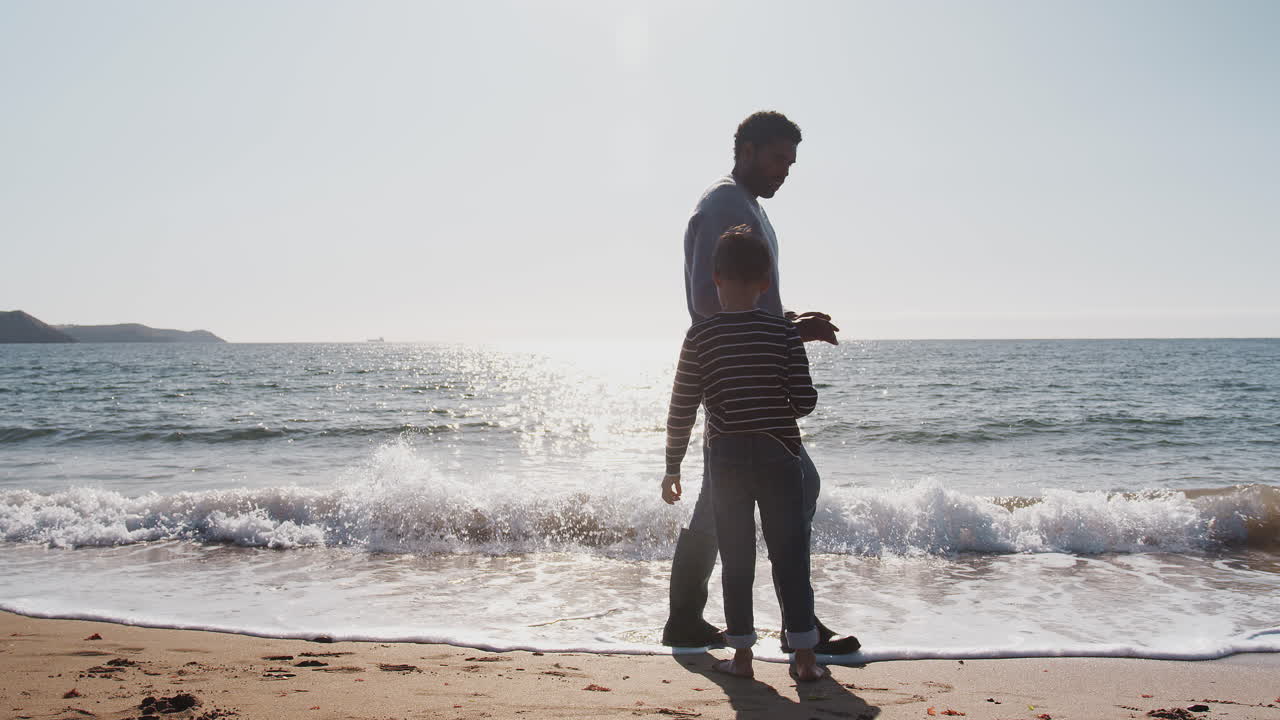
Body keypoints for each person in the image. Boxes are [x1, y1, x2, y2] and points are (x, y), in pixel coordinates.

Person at [662, 110, 860, 655]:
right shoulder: (725, 203)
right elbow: (712, 300)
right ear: (746, 150)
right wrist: (785, 331)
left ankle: (688, 618)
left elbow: (743, 297)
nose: (785, 172)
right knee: (794, 487)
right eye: (777, 159)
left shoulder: (743, 205)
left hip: (737, 380)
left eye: (791, 163)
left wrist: (790, 320)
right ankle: (799, 623)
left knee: (721, 503)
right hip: (736, 382)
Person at [662, 226, 824, 681]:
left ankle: (743, 657)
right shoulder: (783, 332)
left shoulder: (700, 337)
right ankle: (805, 659)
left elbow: (682, 407)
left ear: (715, 279)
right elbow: (805, 401)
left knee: (737, 562)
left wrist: (672, 466)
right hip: (780, 458)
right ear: (766, 283)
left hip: (727, 461)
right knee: (790, 557)